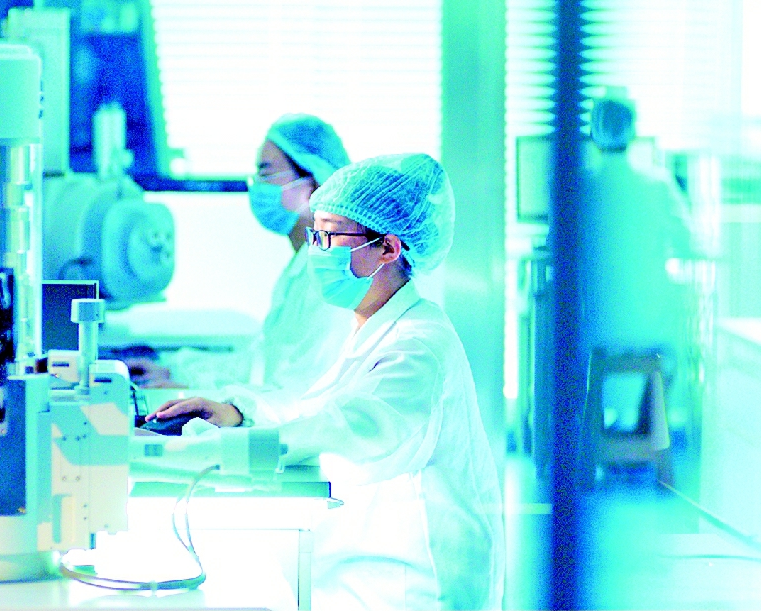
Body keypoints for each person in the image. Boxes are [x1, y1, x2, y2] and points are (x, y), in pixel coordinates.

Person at [146, 153, 506, 610]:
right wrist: (236, 413)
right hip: (366, 576)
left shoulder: (417, 348)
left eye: (330, 237)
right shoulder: (375, 325)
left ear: (388, 248)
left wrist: (196, 454)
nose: (316, 252)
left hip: (413, 589)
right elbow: (317, 405)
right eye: (315, 235)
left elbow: (345, 430)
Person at [128, 114, 356, 399]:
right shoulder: (303, 265)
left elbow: (299, 390)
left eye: (266, 173)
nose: (256, 185)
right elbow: (259, 362)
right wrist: (177, 372)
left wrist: (199, 395)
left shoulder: (332, 280)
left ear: (313, 185)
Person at [580, 89, 698, 434]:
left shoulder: (581, 187)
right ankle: (648, 435)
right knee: (677, 335)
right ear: (633, 133)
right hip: (647, 329)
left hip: (593, 329)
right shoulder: (657, 185)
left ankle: (605, 434)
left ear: (592, 133)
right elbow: (688, 244)